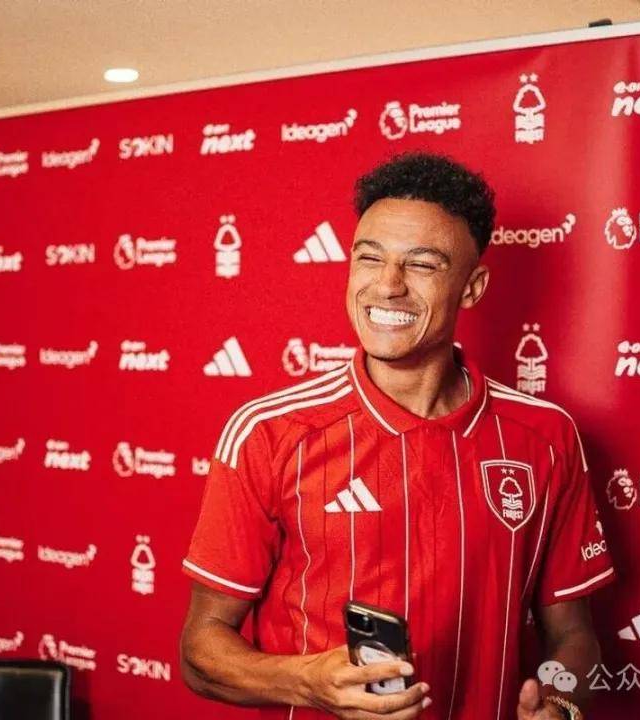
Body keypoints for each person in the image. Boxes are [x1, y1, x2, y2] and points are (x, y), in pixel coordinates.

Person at [180, 152, 614, 720]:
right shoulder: (269, 433)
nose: (387, 286)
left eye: (422, 264)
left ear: (472, 287)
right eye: (369, 258)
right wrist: (307, 682)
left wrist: (559, 703)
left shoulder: (546, 436)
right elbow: (200, 651)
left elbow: (574, 636)